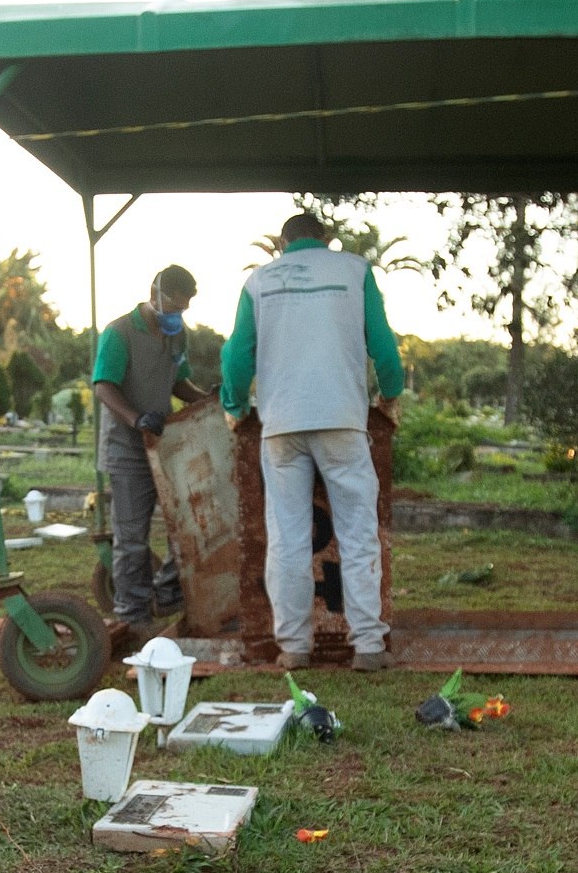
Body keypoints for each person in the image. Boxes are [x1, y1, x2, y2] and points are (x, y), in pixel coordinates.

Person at [220, 212, 407, 670]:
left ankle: (295, 646)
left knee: (286, 537)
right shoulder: (355, 271)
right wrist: (391, 392)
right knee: (359, 532)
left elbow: (236, 355)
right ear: (327, 241)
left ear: (283, 244)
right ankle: (367, 645)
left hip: (281, 424)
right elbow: (382, 342)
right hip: (342, 419)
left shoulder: (259, 282)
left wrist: (235, 406)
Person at [91, 264, 214, 633]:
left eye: (184, 309)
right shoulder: (120, 332)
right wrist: (136, 418)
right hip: (126, 447)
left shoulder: (177, 337)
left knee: (189, 523)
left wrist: (207, 399)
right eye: (175, 308)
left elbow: (178, 382)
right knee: (131, 537)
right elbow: (103, 386)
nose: (178, 315)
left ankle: (165, 590)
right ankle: (132, 616)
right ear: (156, 295)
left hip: (164, 445)